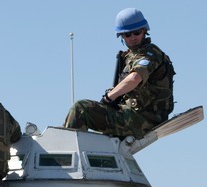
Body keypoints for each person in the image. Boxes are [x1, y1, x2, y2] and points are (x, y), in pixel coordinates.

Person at [63, 8, 175, 140]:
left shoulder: (149, 53)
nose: (132, 37)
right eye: (127, 35)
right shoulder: (130, 56)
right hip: (133, 116)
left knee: (81, 109)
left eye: (136, 32)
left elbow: (135, 77)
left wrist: (108, 98)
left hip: (142, 119)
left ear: (144, 31)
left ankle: (62, 157)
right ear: (121, 36)